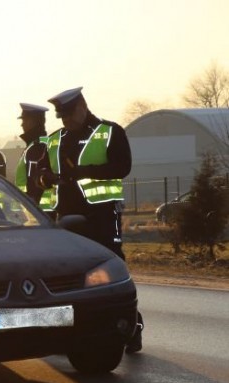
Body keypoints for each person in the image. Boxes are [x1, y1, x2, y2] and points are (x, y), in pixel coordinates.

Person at [38, 86, 143, 353]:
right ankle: (73, 330)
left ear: (82, 108)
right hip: (67, 217)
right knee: (69, 275)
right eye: (61, 117)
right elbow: (40, 173)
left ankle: (131, 327)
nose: (66, 122)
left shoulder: (110, 132)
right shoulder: (55, 139)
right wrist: (45, 179)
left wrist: (84, 172)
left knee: (111, 267)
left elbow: (123, 167)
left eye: (69, 115)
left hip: (102, 216)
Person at [15, 103, 50, 204]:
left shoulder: (36, 147)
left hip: (38, 210)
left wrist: (32, 210)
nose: (22, 124)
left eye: (24, 120)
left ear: (33, 122)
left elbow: (33, 184)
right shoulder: (42, 143)